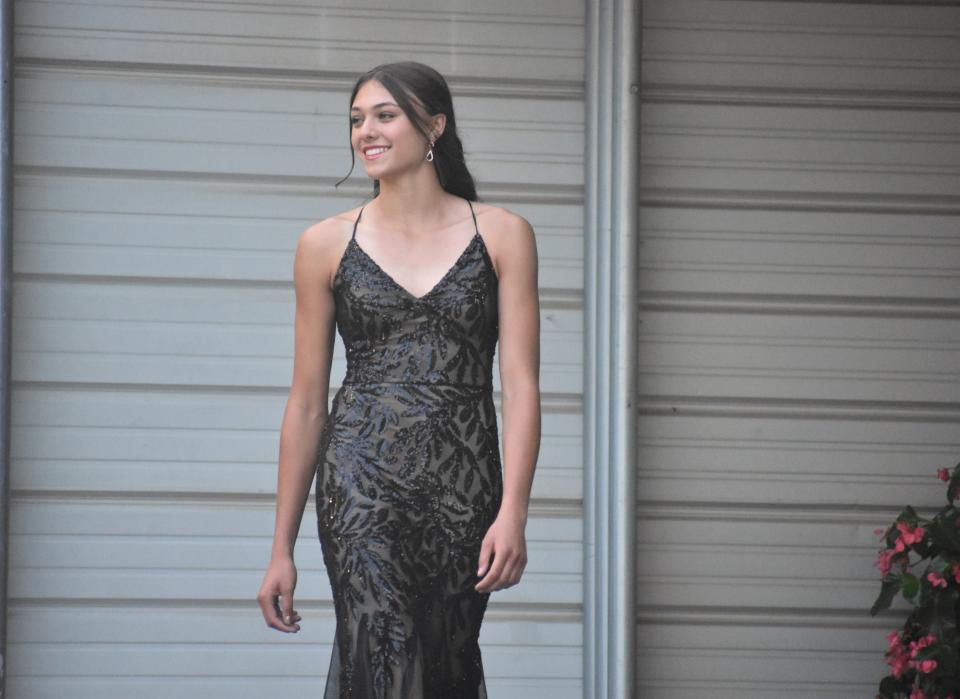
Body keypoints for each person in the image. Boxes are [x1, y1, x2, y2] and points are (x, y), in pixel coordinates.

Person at [257, 61, 541, 698]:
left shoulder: (502, 234)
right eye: (357, 119)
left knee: (445, 655)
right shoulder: (324, 244)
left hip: (463, 490)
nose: (366, 131)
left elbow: (521, 385)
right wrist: (281, 547)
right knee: (382, 646)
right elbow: (306, 404)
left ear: (433, 126)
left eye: (385, 115)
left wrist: (514, 512)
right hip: (361, 488)